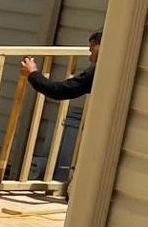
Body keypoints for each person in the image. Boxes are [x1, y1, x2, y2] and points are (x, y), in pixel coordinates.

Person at [18, 31, 100, 193]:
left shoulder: (99, 70)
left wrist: (33, 73)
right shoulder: (109, 66)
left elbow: (60, 91)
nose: (89, 50)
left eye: (93, 45)